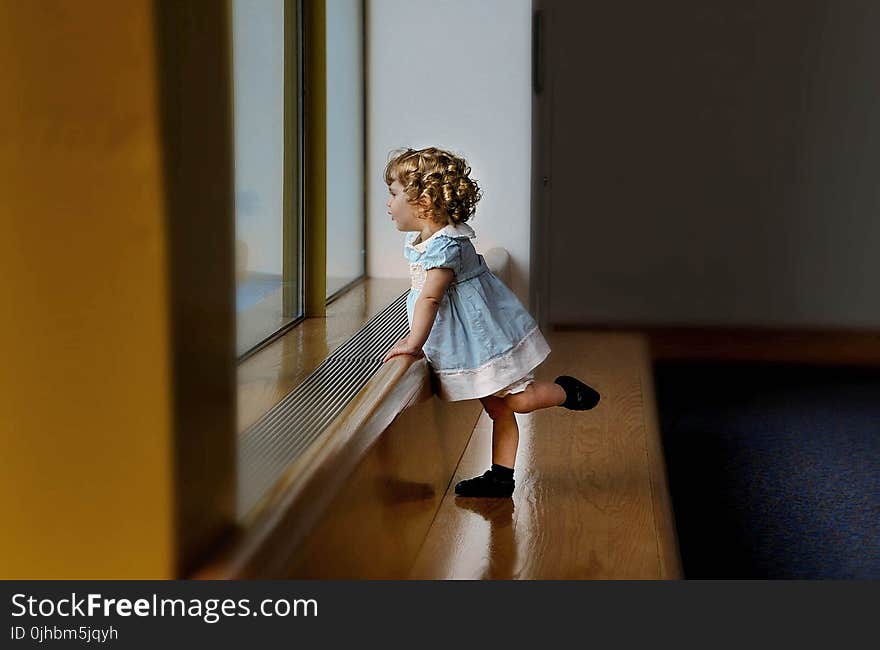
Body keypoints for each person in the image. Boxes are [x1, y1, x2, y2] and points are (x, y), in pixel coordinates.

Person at [381, 147, 600, 498]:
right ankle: (501, 476)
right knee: (497, 406)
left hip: (484, 340)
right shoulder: (425, 241)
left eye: (393, 194)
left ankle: (565, 391)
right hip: (466, 342)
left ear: (422, 203)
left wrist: (413, 343)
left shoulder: (446, 247)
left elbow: (430, 298)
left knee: (519, 401)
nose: (388, 204)